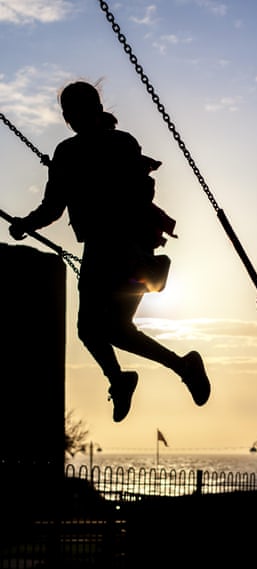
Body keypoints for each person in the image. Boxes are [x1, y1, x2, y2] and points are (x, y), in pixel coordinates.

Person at [9, 80, 211, 423]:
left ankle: (129, 378)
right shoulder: (103, 146)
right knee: (111, 329)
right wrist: (31, 221)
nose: (70, 119)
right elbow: (63, 205)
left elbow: (61, 206)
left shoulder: (86, 150)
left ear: (85, 111)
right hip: (124, 247)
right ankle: (167, 369)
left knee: (96, 329)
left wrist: (26, 224)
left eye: (72, 112)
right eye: (67, 114)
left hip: (116, 248)